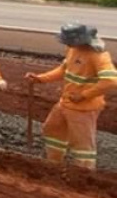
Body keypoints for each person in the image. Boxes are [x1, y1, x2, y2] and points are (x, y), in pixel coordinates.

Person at [25, 23, 117, 170]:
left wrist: (84, 95)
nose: (66, 43)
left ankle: (84, 174)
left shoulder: (98, 56)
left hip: (83, 109)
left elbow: (111, 81)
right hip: (66, 102)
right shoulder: (73, 49)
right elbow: (63, 69)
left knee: (82, 144)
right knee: (52, 129)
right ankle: (54, 164)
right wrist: (40, 78)